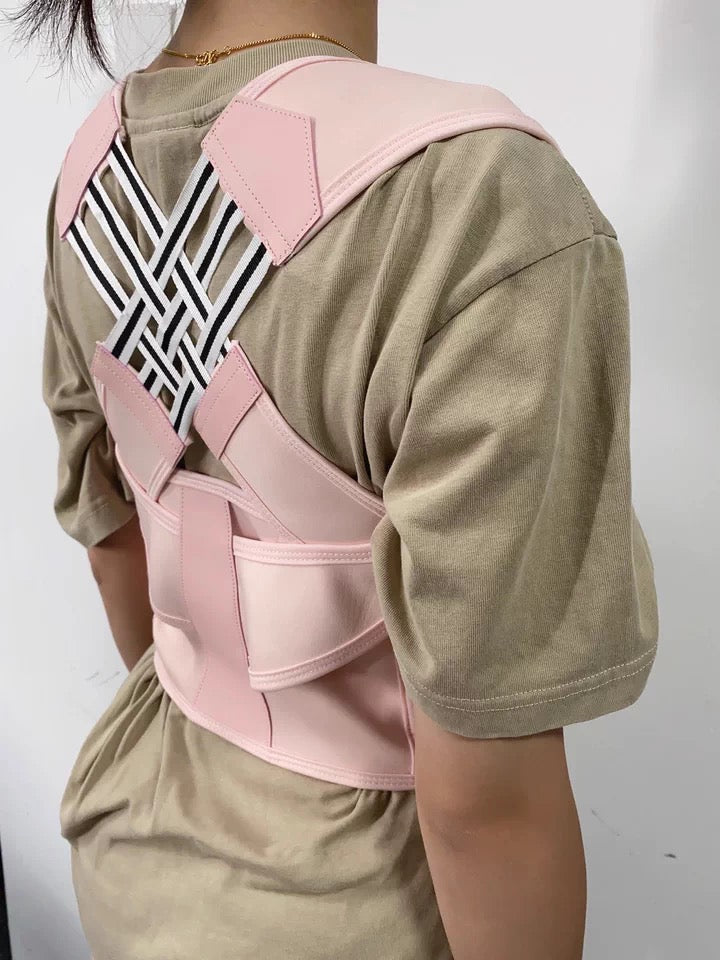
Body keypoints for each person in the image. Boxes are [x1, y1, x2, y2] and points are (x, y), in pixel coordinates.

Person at [18, 0, 659, 957]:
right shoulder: (477, 198)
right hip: (352, 912)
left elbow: (117, 550)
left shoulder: (88, 177)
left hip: (134, 854)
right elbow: (486, 806)